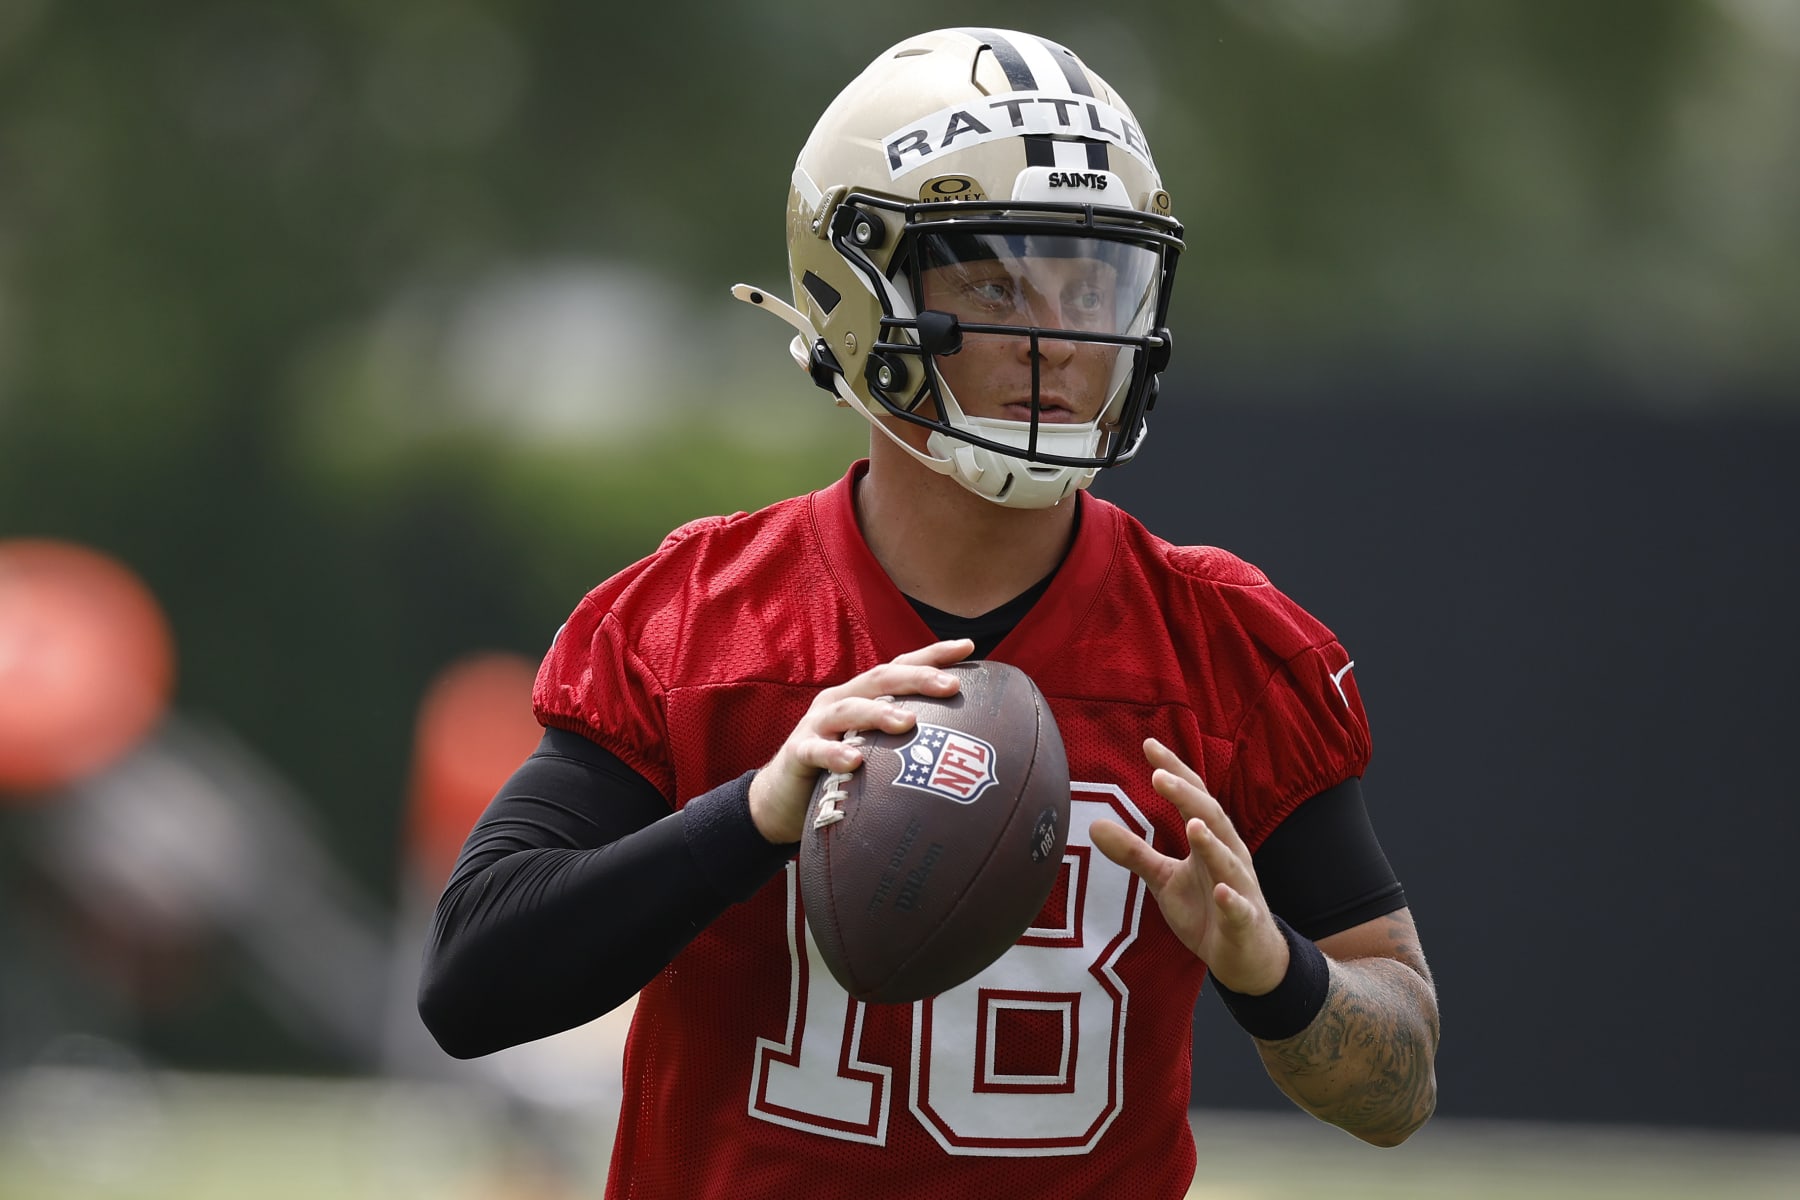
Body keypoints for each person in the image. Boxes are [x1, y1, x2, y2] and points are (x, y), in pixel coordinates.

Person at [418, 26, 1439, 1198]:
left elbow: (1400, 1083)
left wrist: (1279, 976)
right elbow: (469, 985)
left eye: (1090, 282)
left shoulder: (1225, 650)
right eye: (995, 280)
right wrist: (748, 819)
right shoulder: (702, 623)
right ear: (856, 296)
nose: (1058, 339)